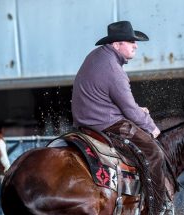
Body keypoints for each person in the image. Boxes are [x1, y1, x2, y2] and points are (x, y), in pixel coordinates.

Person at [71, 21, 171, 213]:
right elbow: (130, 111)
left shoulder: (96, 56)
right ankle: (157, 208)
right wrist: (152, 128)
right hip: (107, 124)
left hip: (87, 122)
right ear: (116, 44)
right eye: (130, 41)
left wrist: (135, 109)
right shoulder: (114, 71)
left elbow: (109, 97)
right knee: (155, 154)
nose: (136, 45)